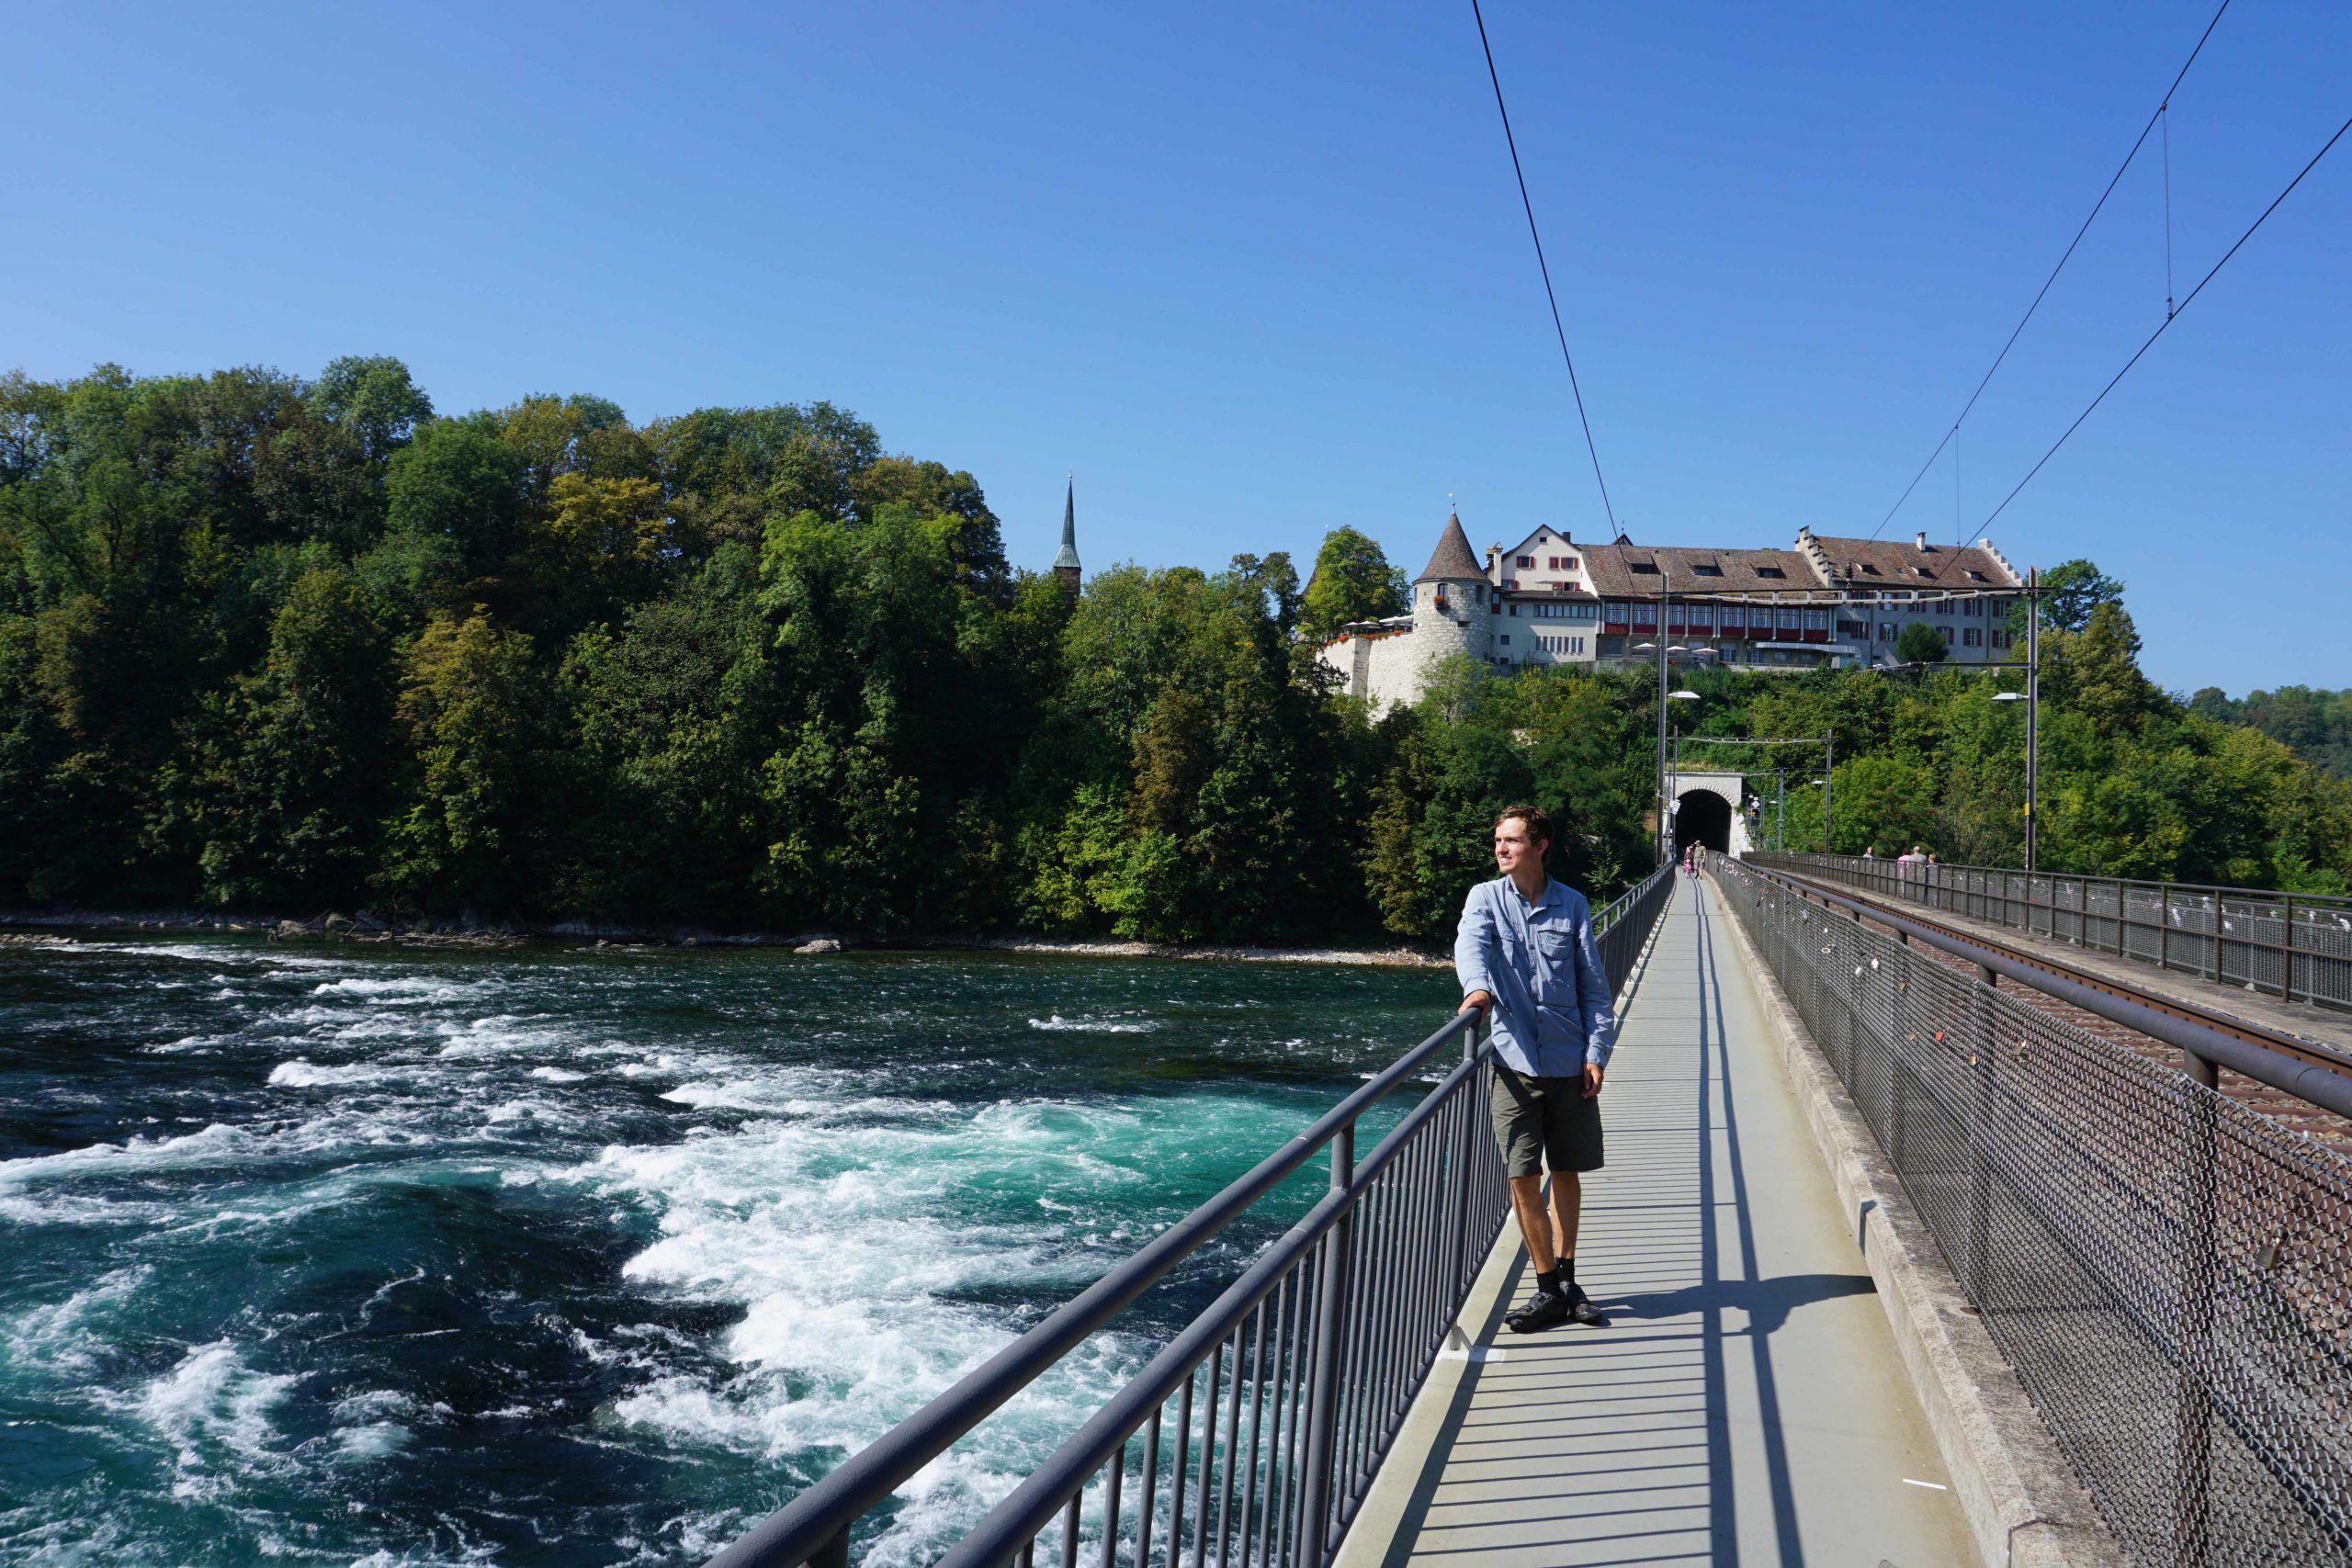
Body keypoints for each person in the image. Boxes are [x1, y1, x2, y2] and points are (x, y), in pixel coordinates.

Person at [1454, 805, 1616, 1332]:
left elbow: (1594, 987)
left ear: (1540, 845)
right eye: (1498, 840)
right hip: (1513, 1061)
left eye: (1512, 840)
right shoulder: (1484, 898)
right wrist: (1476, 990)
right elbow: (1471, 949)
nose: (1501, 848)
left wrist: (1596, 1053)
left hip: (1570, 1060)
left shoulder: (1572, 905)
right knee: (1522, 1175)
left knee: (1565, 1171)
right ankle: (1547, 1287)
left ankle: (1568, 1281)